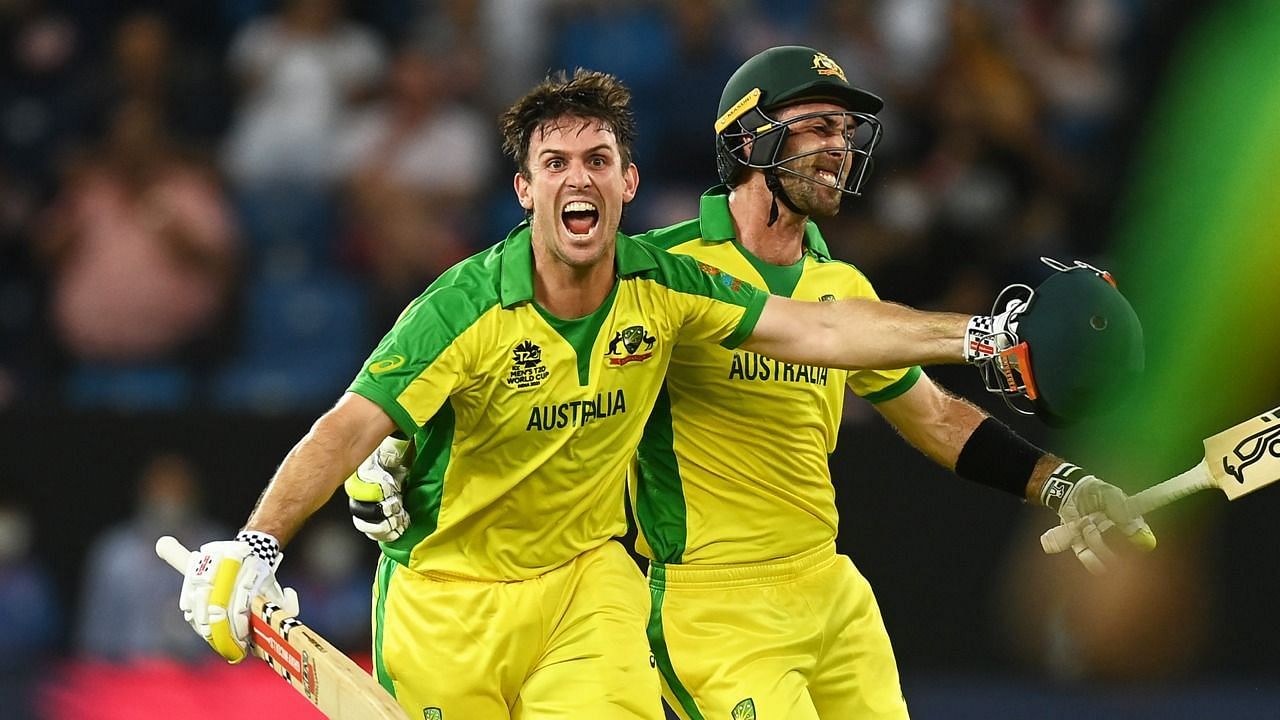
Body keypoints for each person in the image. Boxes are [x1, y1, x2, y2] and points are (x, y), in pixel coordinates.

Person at [346, 49, 1159, 719]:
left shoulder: (841, 286)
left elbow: (935, 419)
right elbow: (517, 356)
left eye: (844, 128)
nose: (838, 145)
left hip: (830, 590)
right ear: (747, 141)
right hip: (711, 607)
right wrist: (388, 450)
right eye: (815, 125)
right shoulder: (664, 271)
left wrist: (1062, 485)